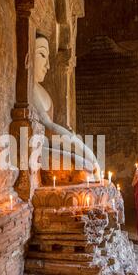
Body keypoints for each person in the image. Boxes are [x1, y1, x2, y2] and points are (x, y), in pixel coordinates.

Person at [32, 34, 100, 180]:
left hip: (50, 143)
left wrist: (79, 145)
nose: (47, 66)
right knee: (83, 169)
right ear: (28, 57)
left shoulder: (42, 91)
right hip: (34, 148)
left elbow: (54, 129)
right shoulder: (28, 88)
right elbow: (47, 125)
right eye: (42, 55)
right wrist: (86, 151)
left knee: (89, 167)